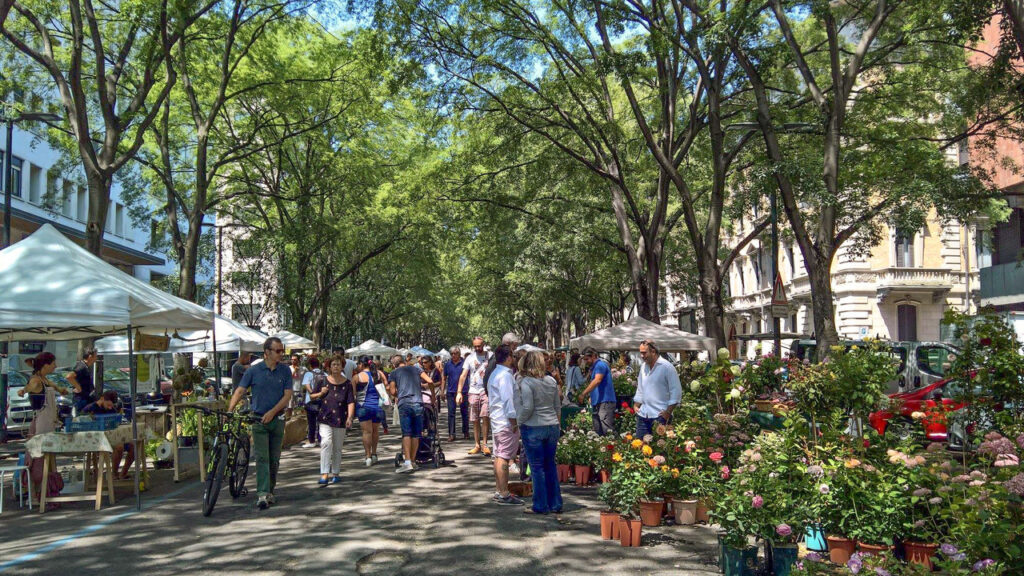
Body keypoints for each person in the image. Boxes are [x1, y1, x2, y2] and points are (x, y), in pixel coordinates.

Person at [229, 337, 293, 510]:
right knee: (262, 457)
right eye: (278, 351)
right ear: (267, 352)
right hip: (258, 420)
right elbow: (240, 390)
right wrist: (230, 410)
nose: (281, 354)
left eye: (282, 350)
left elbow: (287, 395)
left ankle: (270, 490)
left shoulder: (285, 371)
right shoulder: (253, 371)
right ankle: (262, 493)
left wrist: (272, 412)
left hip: (277, 419)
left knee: (274, 459)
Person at [514, 350, 562, 514]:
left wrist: (518, 422)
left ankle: (540, 505)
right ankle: (555, 503)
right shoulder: (551, 381)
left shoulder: (527, 382)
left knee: (537, 468)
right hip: (552, 425)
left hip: (534, 426)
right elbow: (557, 406)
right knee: (550, 465)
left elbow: (528, 407)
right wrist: (557, 423)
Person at [18, 352, 67, 503]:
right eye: (53, 363)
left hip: (48, 423)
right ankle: (35, 494)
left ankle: (46, 492)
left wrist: (61, 390)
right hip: (41, 424)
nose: (56, 366)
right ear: (46, 365)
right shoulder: (36, 381)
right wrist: (23, 391)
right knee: (37, 458)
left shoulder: (45, 379)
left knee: (46, 457)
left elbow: (54, 386)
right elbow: (29, 387)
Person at [487, 345, 522, 505]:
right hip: (505, 422)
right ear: (508, 357)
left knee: (499, 455)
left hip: (498, 420)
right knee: (504, 457)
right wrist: (514, 422)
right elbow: (508, 400)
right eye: (513, 356)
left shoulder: (496, 373)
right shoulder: (505, 376)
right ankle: (504, 492)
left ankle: (499, 490)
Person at [317, 355, 356, 485]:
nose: (336, 366)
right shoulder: (322, 381)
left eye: (338, 364)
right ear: (329, 367)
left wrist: (350, 417)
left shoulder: (347, 384)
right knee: (326, 443)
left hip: (341, 417)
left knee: (337, 447)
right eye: (333, 364)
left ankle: (336, 472)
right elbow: (311, 396)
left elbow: (350, 402)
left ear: (342, 366)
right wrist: (321, 393)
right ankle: (324, 473)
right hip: (325, 417)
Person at [633, 339, 682, 438]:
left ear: (653, 351)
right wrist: (636, 404)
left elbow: (676, 392)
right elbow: (640, 388)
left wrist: (668, 412)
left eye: (644, 353)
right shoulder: (643, 367)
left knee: (660, 449)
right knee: (639, 448)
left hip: (660, 416)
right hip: (643, 415)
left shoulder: (667, 367)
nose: (642, 356)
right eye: (640, 353)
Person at [82, 391, 135, 479]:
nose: (110, 407)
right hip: (97, 440)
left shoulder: (112, 409)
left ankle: (123, 473)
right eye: (108, 405)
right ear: (102, 399)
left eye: (111, 405)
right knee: (119, 447)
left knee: (134, 446)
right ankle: (114, 474)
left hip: (112, 437)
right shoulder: (90, 409)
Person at [388, 354, 427, 473]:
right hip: (418, 402)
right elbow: (429, 381)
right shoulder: (416, 369)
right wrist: (434, 398)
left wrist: (398, 394)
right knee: (416, 434)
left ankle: (408, 462)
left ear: (394, 365)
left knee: (406, 433)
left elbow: (392, 390)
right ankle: (414, 461)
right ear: (404, 361)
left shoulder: (394, 373)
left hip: (404, 403)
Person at [458, 337, 492, 455]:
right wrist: (459, 392)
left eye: (479, 346)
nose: (477, 348)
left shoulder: (491, 356)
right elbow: (463, 376)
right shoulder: (469, 358)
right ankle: (477, 445)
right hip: (473, 391)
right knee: (475, 419)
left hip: (487, 391)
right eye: (475, 346)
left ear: (484, 344)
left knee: (485, 416)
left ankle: (485, 444)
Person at [354, 356, 387, 466]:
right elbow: (386, 385)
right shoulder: (378, 374)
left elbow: (353, 394)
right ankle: (374, 454)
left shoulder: (357, 377)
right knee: (375, 431)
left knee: (367, 432)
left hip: (363, 407)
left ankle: (367, 456)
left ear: (361, 365)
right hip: (377, 407)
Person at [577, 346, 616, 435]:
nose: (586, 362)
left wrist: (583, 394)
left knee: (607, 431)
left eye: (587, 359)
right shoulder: (594, 367)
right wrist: (591, 396)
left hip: (605, 401)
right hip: (598, 402)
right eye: (585, 360)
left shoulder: (600, 365)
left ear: (594, 356)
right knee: (598, 431)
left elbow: (597, 380)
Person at [442, 347, 468, 442]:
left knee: (464, 413)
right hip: (451, 392)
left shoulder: (465, 363)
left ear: (459, 353)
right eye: (452, 353)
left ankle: (466, 432)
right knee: (451, 414)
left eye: (456, 353)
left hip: (464, 391)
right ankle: (451, 434)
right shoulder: (447, 364)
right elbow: (444, 378)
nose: (453, 355)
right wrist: (442, 391)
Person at [301, 358, 327, 448]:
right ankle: (320, 440)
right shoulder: (324, 374)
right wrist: (320, 395)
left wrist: (313, 394)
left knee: (311, 422)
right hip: (322, 401)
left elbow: (307, 386)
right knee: (321, 422)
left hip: (310, 401)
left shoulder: (308, 374)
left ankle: (312, 441)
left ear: (310, 365)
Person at [66, 347, 97, 414]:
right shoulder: (81, 366)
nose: (96, 359)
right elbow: (69, 376)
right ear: (90, 357)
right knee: (82, 418)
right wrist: (78, 387)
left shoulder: (86, 367)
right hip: (81, 399)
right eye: (95, 356)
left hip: (86, 398)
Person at [289, 353, 306, 419]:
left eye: (295, 360)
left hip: (300, 391)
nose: (293, 361)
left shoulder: (303, 369)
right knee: (289, 407)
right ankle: (288, 421)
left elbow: (308, 377)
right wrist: (294, 371)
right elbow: (288, 378)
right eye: (292, 359)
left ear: (298, 360)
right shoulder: (289, 368)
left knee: (300, 407)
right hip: (291, 391)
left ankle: (302, 423)